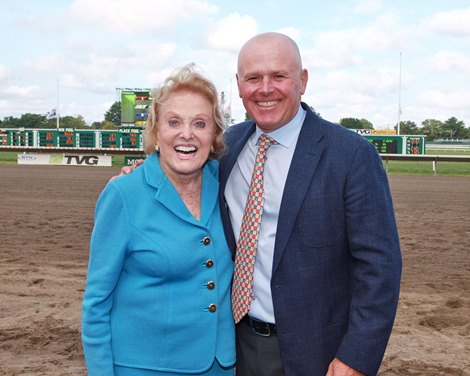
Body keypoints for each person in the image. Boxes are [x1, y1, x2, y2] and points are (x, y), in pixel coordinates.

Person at [117, 32, 402, 376]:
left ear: (303, 81)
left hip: (317, 353)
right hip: (232, 346)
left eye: (279, 76)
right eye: (253, 78)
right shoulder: (225, 148)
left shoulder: (351, 156)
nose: (265, 89)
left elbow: (380, 267)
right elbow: (178, 179)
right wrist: (134, 178)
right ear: (238, 85)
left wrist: (356, 356)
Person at [82, 64, 236, 376]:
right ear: (156, 130)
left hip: (220, 367)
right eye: (174, 122)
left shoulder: (228, 182)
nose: (187, 134)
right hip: (143, 367)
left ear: (215, 134)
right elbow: (96, 303)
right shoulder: (123, 195)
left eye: (200, 123)